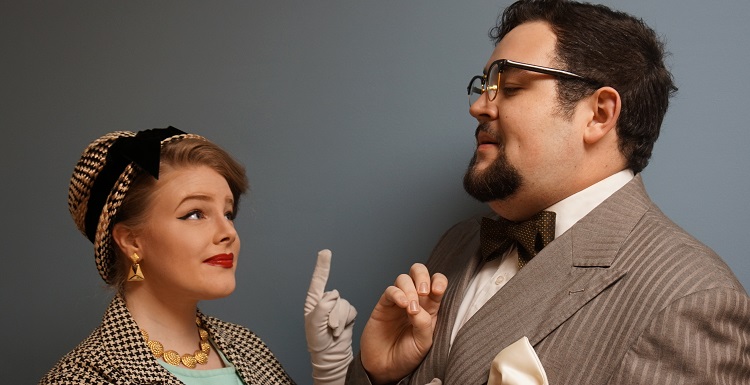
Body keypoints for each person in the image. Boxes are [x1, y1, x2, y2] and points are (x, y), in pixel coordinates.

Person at [346, 0, 750, 384]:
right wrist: (380, 375)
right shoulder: (457, 243)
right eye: (484, 85)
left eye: (512, 86)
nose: (479, 107)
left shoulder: (690, 297)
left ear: (599, 114)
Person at [40, 127, 356, 385]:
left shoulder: (248, 348)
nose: (228, 232)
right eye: (194, 214)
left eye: (228, 213)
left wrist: (334, 375)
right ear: (131, 241)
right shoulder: (81, 378)